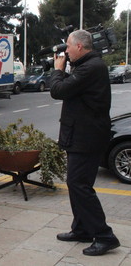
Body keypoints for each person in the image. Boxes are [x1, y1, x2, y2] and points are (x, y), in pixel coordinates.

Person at [50, 29, 120, 256]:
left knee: (80, 186)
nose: (65, 51)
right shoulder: (87, 66)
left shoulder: (91, 67)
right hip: (80, 135)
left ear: (79, 46)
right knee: (76, 184)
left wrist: (58, 70)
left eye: (68, 47)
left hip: (86, 137)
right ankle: (81, 229)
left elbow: (58, 90)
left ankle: (104, 235)